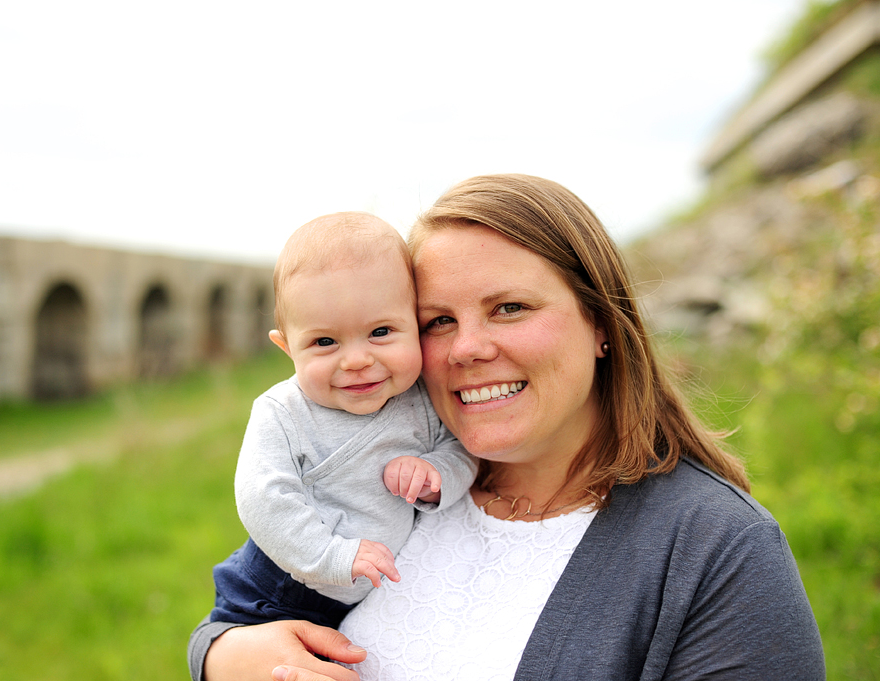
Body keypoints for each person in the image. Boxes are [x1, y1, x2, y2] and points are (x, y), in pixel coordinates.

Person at [189, 175, 825, 681]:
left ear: (602, 322)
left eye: (510, 308)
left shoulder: (720, 551)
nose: (467, 347)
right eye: (437, 320)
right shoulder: (403, 471)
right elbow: (242, 612)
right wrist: (220, 658)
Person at [209, 212, 477, 630]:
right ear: (287, 348)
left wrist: (435, 471)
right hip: (283, 589)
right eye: (325, 342)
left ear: (417, 325)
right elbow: (264, 499)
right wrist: (332, 557)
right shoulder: (282, 412)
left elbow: (462, 450)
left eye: (382, 332)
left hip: (367, 594)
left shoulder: (421, 398)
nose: (356, 360)